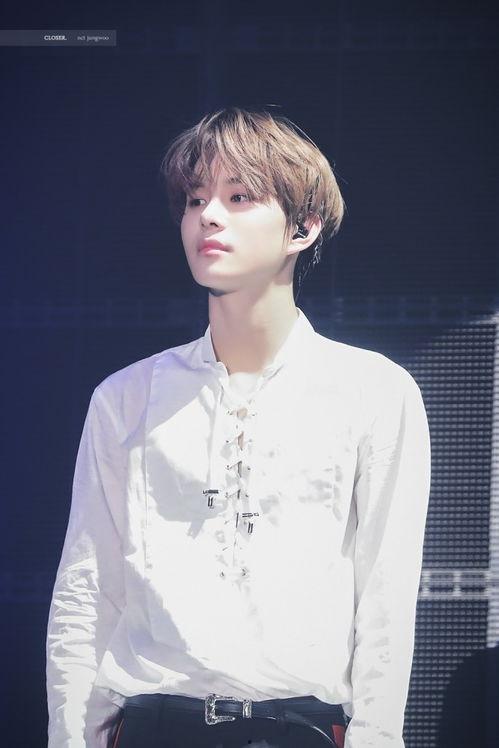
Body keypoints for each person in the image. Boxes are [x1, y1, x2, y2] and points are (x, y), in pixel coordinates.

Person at [46, 106, 432, 748]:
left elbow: (386, 599)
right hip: (153, 727)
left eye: (239, 196)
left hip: (301, 729)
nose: (208, 217)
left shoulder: (374, 392)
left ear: (302, 227)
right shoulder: (125, 398)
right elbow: (88, 591)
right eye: (195, 199)